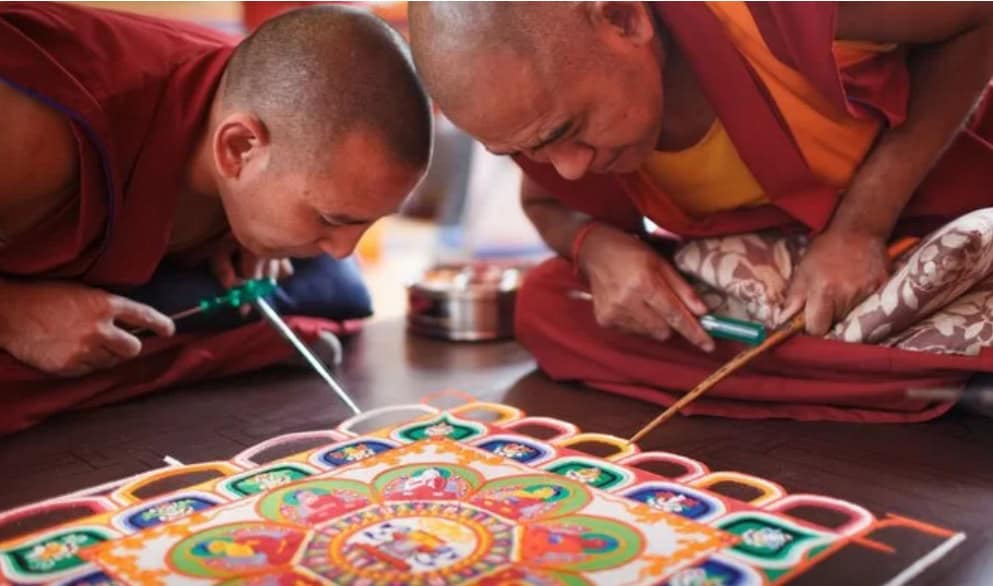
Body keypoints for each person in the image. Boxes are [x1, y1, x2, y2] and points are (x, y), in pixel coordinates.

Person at [409, 2, 993, 422]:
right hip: (773, 272)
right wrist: (599, 248)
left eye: (566, 131)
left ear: (623, 18)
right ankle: (883, 371)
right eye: (524, 150)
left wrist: (860, 225)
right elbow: (549, 205)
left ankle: (828, 369)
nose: (566, 168)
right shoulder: (542, 124)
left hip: (916, 216)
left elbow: (977, 17)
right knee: (546, 303)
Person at [0, 2, 432, 433]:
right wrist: (16, 315)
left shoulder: (267, 102)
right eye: (331, 219)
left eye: (368, 221)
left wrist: (245, 227)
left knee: (334, 289)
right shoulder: (31, 136)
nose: (344, 249)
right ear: (239, 148)